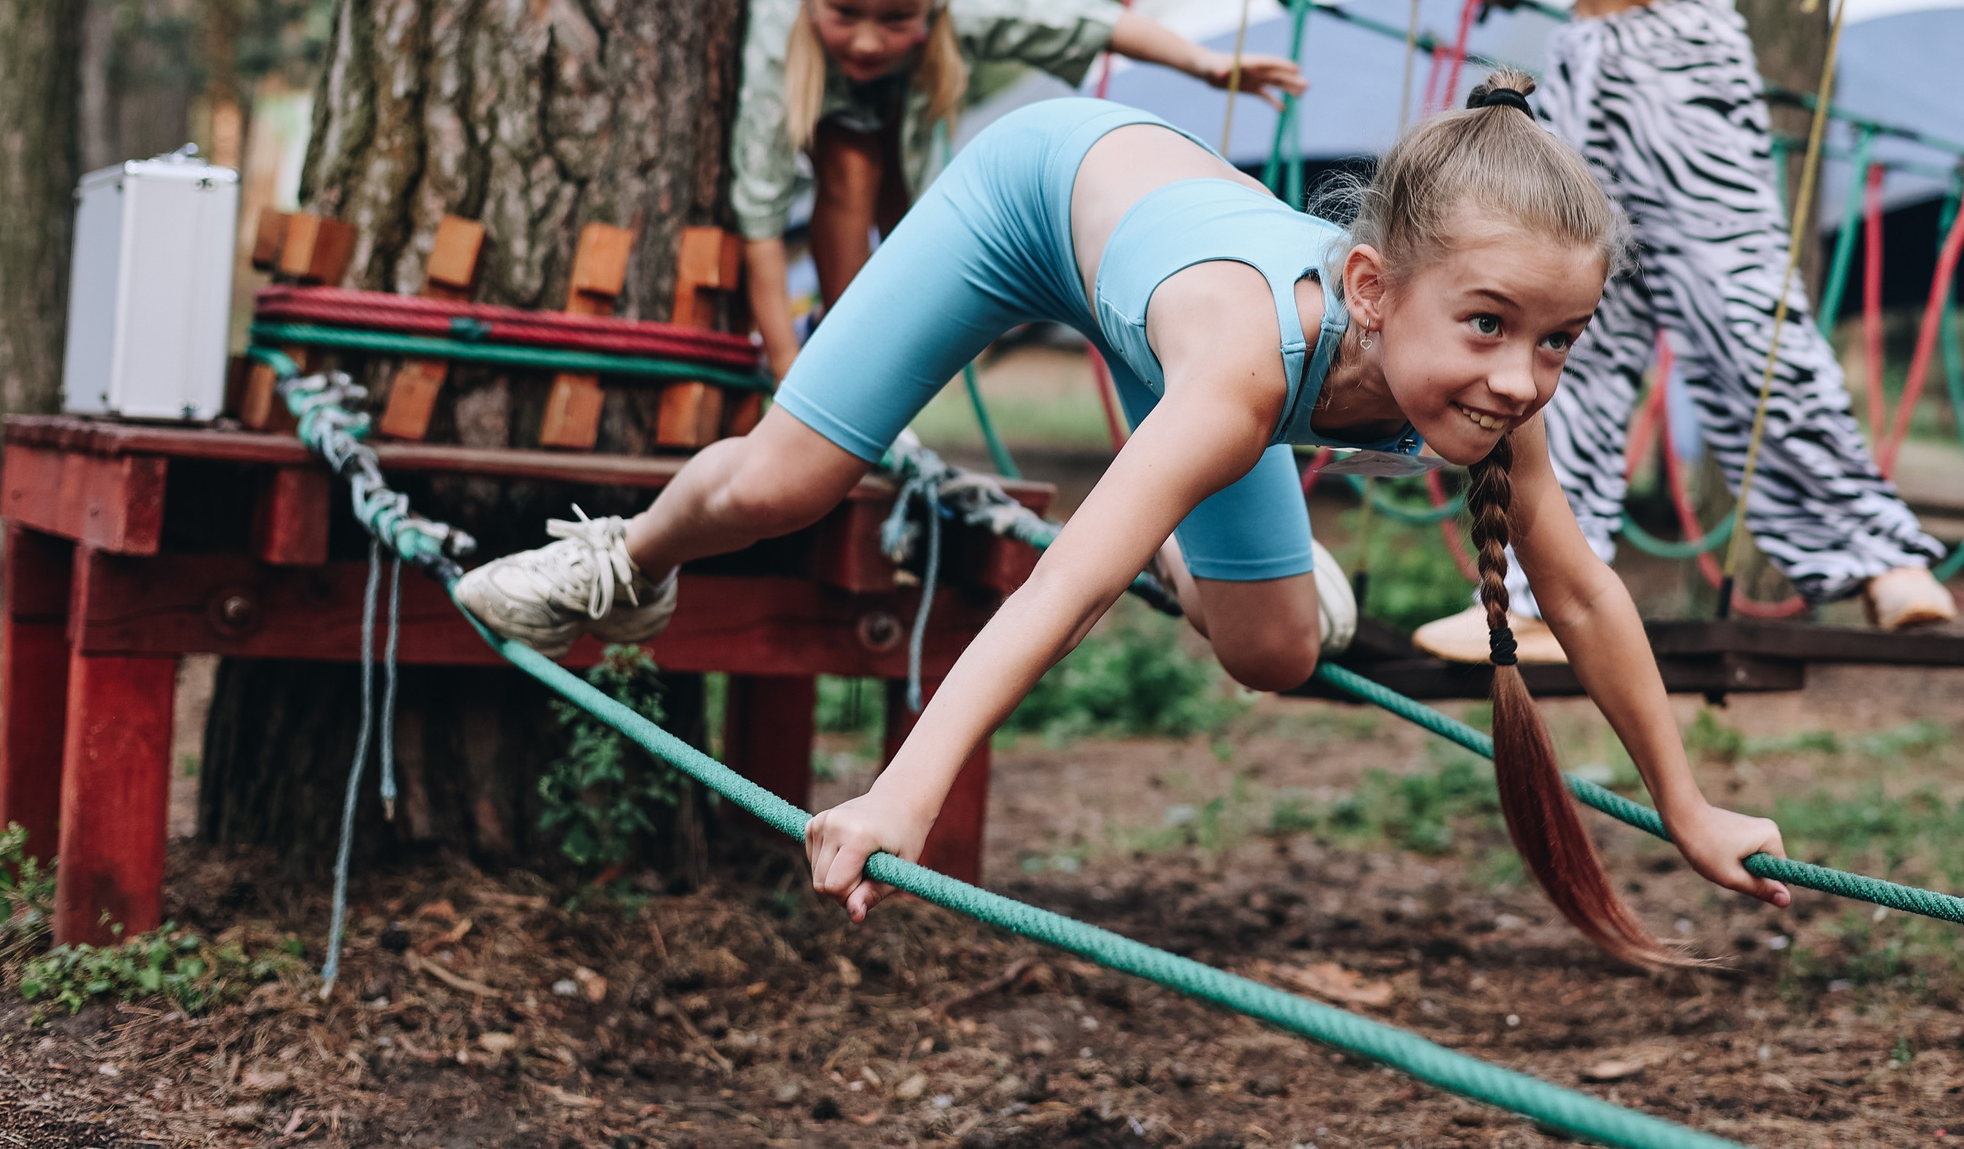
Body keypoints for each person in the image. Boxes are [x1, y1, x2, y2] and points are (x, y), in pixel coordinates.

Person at [455, 77, 1794, 960]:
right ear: (1378, 287)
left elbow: (1588, 592)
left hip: (1186, 317)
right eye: (1492, 326)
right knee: (780, 488)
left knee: (1272, 649)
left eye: (1559, 340)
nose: (1521, 375)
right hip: (1037, 195)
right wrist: (900, 795)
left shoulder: (1493, 388)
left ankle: (1179, 513)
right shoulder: (1249, 371)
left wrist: (1686, 805)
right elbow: (1058, 592)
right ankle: (627, 556)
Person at [1411, 0, 1953, 666]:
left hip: (1679, 59)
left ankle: (1879, 557)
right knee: (1566, 328)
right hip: (1589, 64)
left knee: (1738, 302)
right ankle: (1539, 593)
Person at [733, 0, 1306, 378]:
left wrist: (1204, 64)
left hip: (892, 107)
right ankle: (835, 356)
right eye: (845, 13)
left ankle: (870, 350)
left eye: (896, 18)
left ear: (935, 2)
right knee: (851, 166)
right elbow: (760, 213)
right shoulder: (776, 35)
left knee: (918, 220)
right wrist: (786, 369)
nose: (866, 39)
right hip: (821, 107)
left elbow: (1080, 21)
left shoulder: (963, 3)